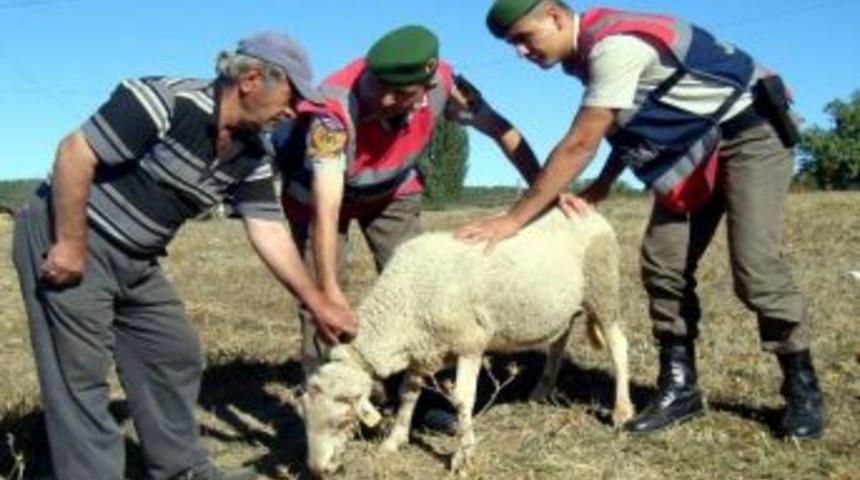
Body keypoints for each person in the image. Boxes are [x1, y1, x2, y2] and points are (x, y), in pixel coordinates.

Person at [458, 0, 824, 439]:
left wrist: (512, 221)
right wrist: (604, 185)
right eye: (511, 44)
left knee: (755, 266)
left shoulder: (613, 47)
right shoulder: (586, 56)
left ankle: (802, 388)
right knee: (662, 261)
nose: (520, 51)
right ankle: (681, 388)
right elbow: (625, 123)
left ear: (555, 17)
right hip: (694, 146)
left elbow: (581, 142)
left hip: (749, 133)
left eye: (522, 37)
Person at [12, 32, 355, 480]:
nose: (293, 111)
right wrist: (70, 245)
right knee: (79, 377)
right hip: (67, 232)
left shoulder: (253, 154)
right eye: (291, 97)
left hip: (136, 258)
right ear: (251, 79)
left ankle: (181, 469)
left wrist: (318, 301)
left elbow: (269, 229)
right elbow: (73, 154)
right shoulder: (164, 102)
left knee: (173, 352)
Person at [271, 24, 554, 373]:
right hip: (319, 198)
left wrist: (545, 193)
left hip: (391, 193)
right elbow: (326, 209)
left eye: (401, 93)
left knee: (421, 284)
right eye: (378, 85)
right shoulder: (332, 111)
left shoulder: (447, 83)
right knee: (321, 299)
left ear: (427, 87)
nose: (386, 99)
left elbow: (501, 130)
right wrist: (329, 292)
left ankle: (420, 386)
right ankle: (327, 386)